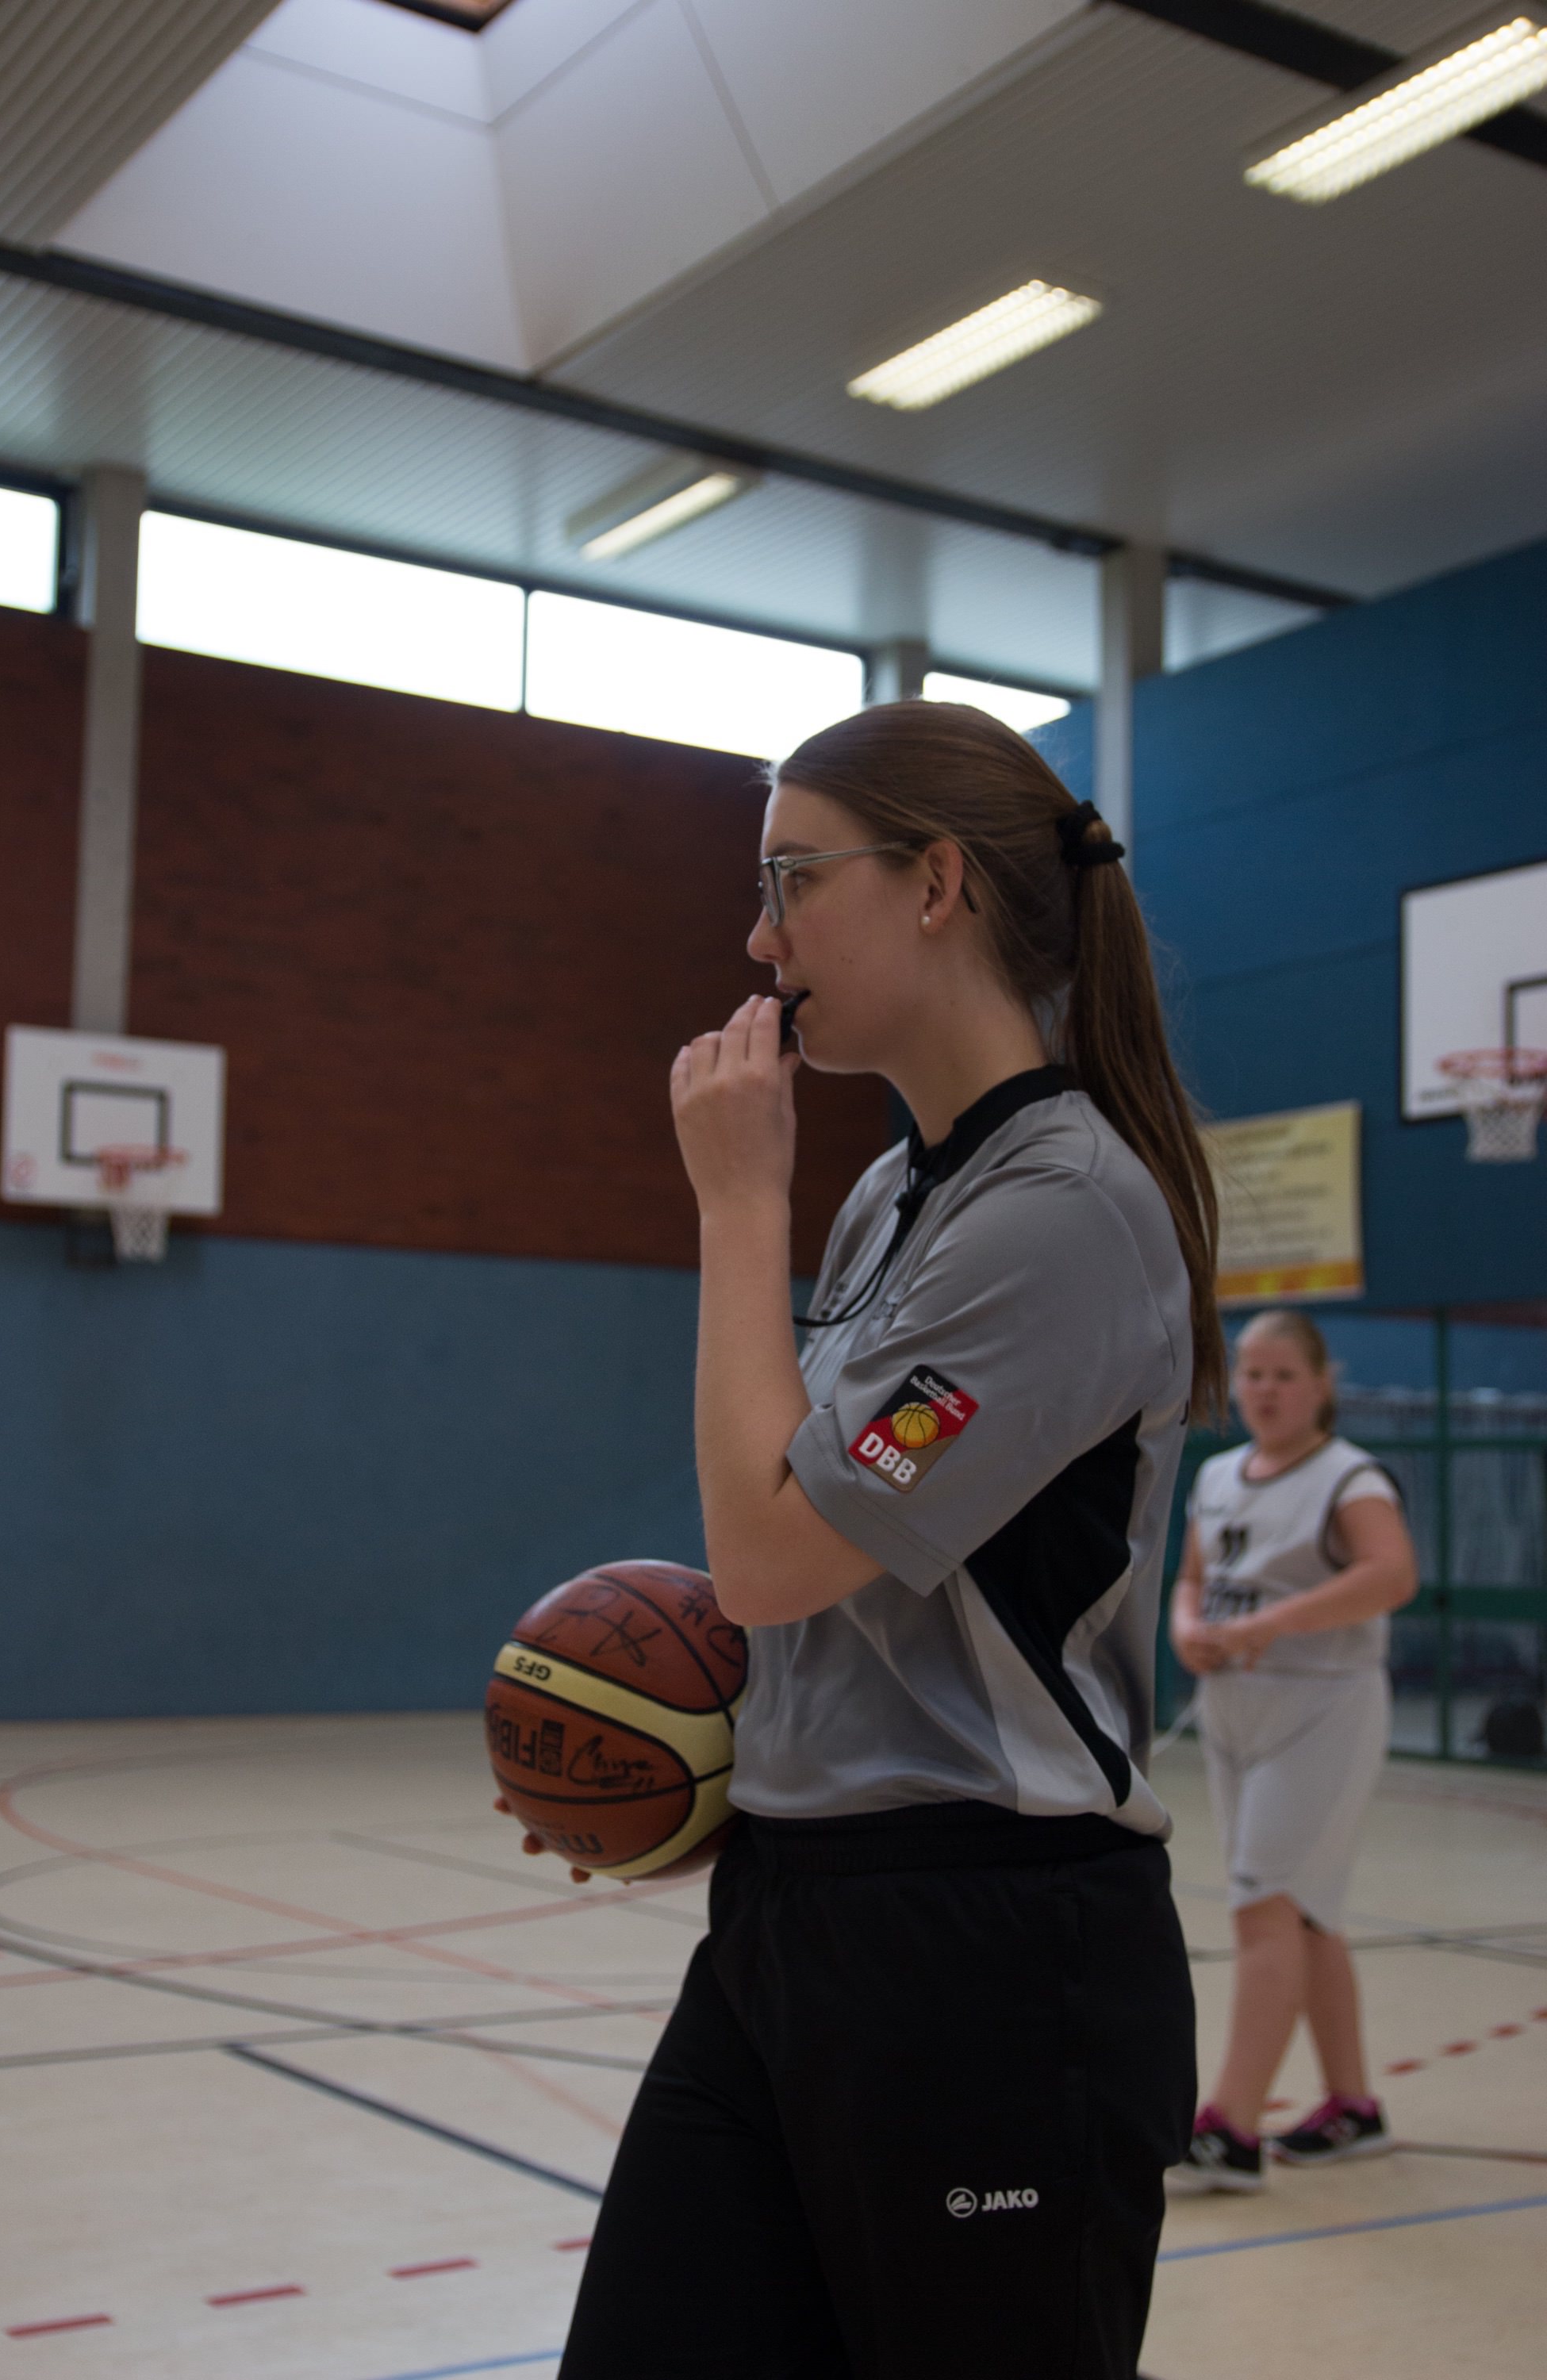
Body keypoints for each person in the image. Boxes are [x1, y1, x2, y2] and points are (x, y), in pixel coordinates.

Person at [551, 701, 1224, 2380]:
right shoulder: (895, 1195)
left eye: (793, 879)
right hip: (795, 1919)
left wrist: (734, 1206)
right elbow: (808, 1574)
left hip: (992, 1959)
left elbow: (772, 1554)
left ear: (934, 883)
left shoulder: (1063, 1214)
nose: (759, 940)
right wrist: (681, 1745)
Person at [1166, 1310, 1418, 2194]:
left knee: (1264, 1906)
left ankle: (1231, 2129)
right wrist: (1188, 1629)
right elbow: (1192, 1579)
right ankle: (1352, 2106)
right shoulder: (1218, 1475)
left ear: (1320, 1384)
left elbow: (1391, 1574)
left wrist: (1269, 1624)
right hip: (1236, 1709)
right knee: (1307, 1912)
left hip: (1322, 1707)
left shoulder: (1347, 1477)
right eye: (1252, 1373)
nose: (1265, 1390)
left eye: (1283, 1375)